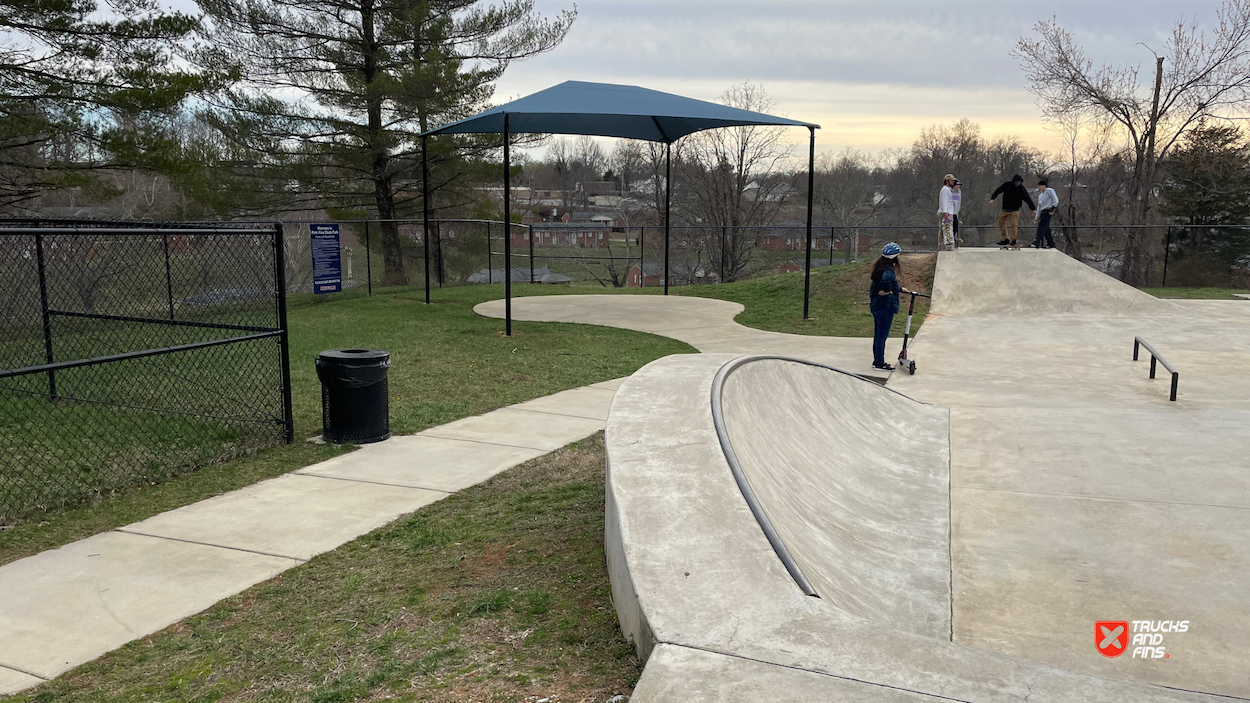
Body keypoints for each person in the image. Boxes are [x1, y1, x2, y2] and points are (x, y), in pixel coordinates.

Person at [869, 242, 914, 371]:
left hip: (877, 306)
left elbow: (883, 283)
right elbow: (886, 280)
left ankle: (877, 360)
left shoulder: (880, 267)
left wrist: (899, 289)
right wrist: (887, 290)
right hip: (885, 307)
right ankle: (879, 364)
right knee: (882, 336)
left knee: (878, 335)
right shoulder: (888, 270)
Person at [989, 174, 1036, 247]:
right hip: (1005, 209)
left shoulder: (1021, 189)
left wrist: (1033, 209)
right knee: (1000, 222)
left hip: (1015, 210)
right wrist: (993, 198)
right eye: (1016, 182)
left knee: (1014, 224)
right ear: (1013, 182)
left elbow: (1028, 199)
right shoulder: (1007, 185)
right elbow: (998, 191)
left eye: (1019, 183)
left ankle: (1013, 239)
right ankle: (1005, 239)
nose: (1018, 184)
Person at [1032, 179, 1059, 249]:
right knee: (1046, 228)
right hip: (1043, 212)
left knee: (1041, 227)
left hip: (1048, 211)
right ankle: (1051, 243)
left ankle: (1037, 242)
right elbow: (1039, 207)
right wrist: (1036, 217)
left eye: (1040, 186)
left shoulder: (1049, 191)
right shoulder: (1040, 195)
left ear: (1044, 186)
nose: (1039, 188)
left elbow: (1055, 200)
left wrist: (1052, 208)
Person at [938, 174, 958, 251]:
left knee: (945, 230)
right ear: (947, 181)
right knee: (947, 229)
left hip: (948, 212)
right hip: (946, 213)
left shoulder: (947, 190)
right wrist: (945, 213)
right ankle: (946, 245)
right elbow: (944, 202)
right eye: (952, 180)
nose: (953, 182)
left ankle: (945, 245)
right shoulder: (945, 190)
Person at [952, 179, 963, 247]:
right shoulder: (949, 191)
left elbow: (958, 202)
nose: (958, 187)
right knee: (950, 227)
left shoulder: (959, 192)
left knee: (955, 227)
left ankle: (954, 239)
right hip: (950, 212)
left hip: (955, 213)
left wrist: (957, 212)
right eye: (957, 185)